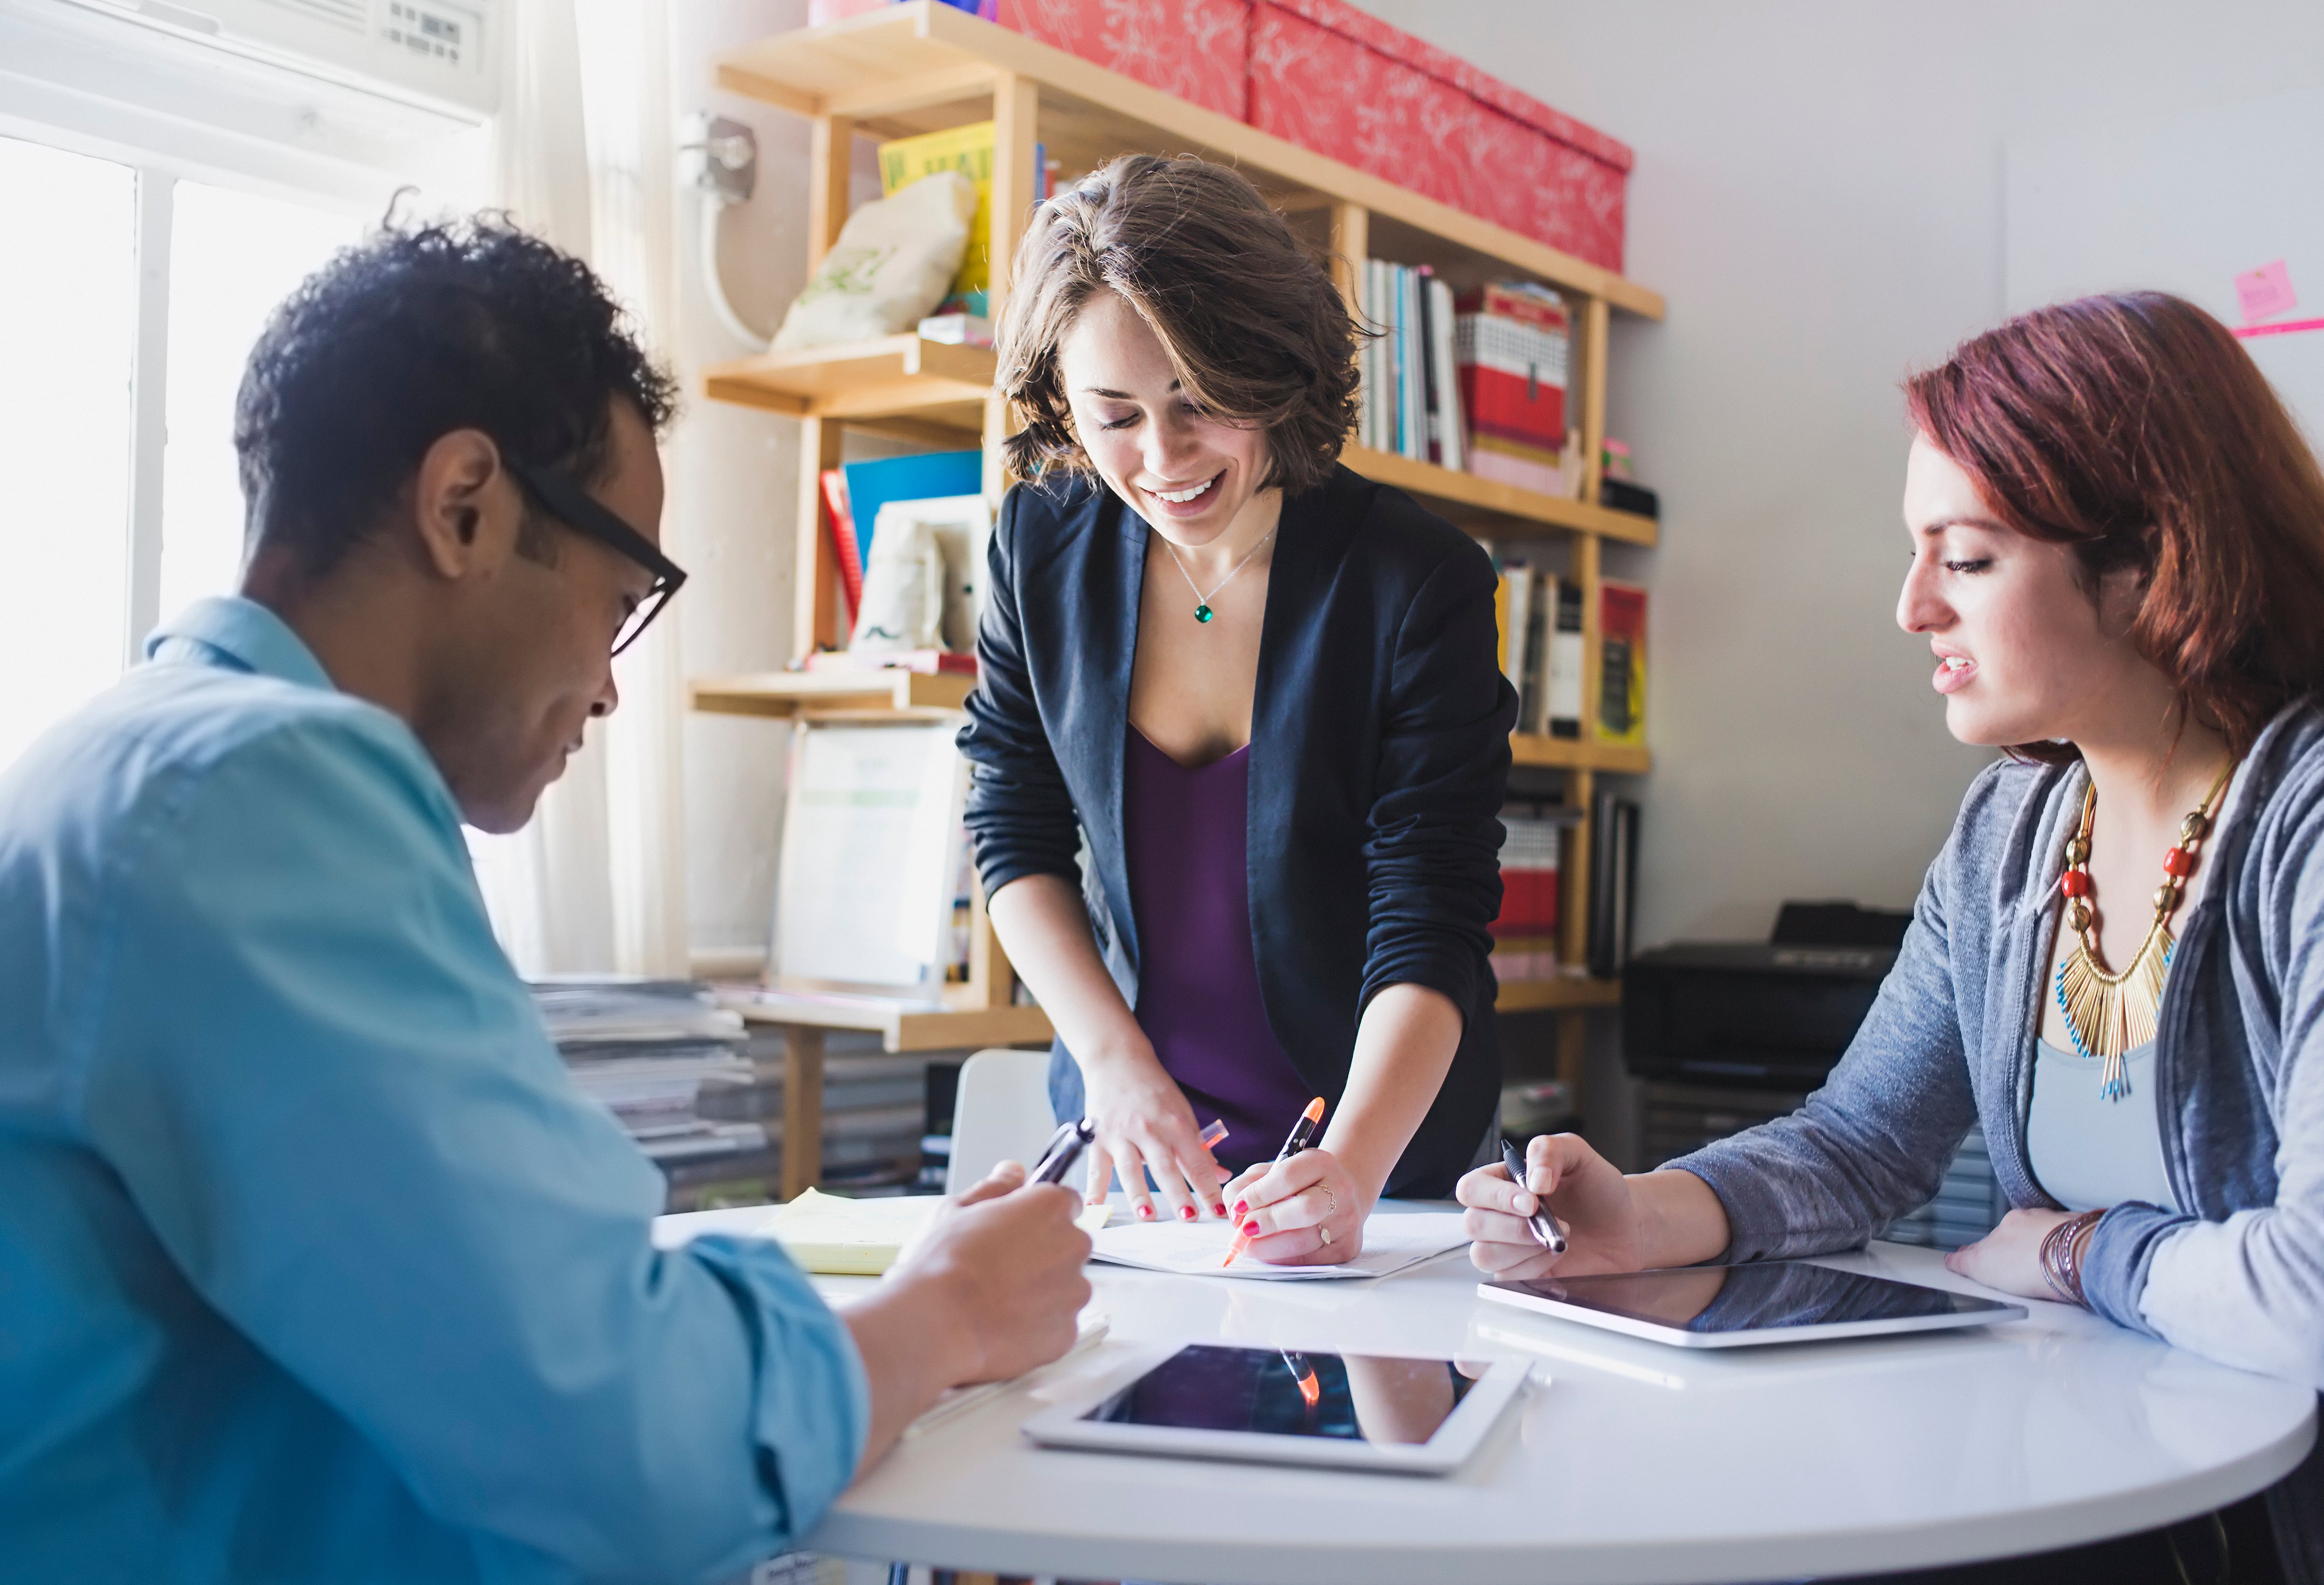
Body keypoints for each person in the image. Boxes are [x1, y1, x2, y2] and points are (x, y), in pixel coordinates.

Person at [0, 217, 1092, 1583]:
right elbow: (634, 1442)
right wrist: (948, 1316)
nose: (611, 680)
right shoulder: (265, 789)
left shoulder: (125, 755)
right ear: (465, 503)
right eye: (621, 597)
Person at [1459, 291, 2324, 1583]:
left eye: (1966, 556)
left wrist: (2076, 1245)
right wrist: (1647, 1210)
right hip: (2080, 1494)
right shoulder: (2014, 823)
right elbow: (1861, 1139)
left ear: (2147, 560)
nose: (1910, 609)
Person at [960, 154, 1515, 1264]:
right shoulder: (1038, 549)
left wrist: (1352, 1167)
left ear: (1273, 369)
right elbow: (1010, 834)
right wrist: (1116, 1066)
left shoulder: (1416, 581)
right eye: (1114, 416)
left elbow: (1431, 911)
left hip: (1386, 1166)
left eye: (1200, 404)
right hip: (1140, 1160)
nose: (1162, 461)